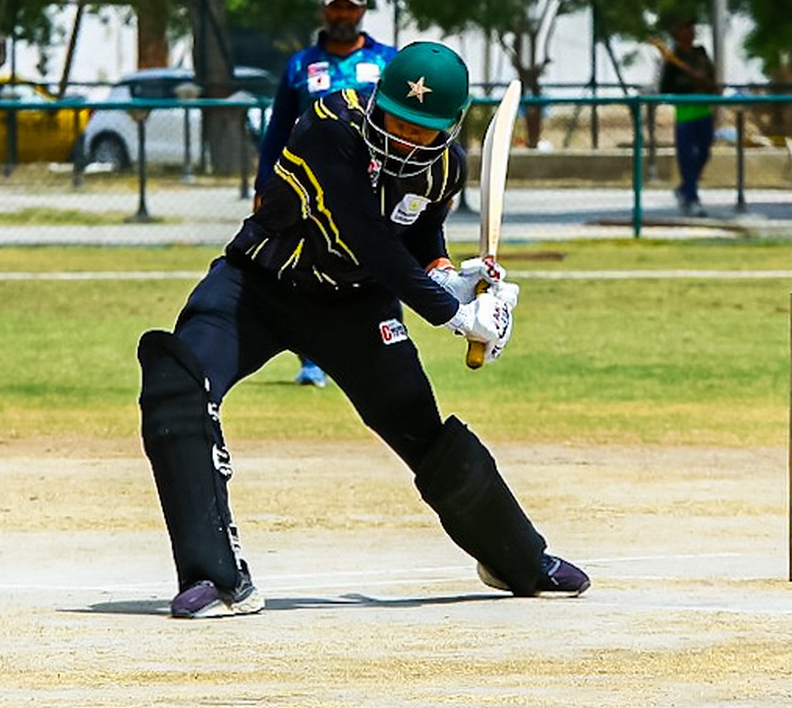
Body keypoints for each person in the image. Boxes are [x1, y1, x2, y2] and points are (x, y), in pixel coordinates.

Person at [137, 40, 590, 617]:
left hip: (356, 308)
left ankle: (519, 559)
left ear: (449, 128)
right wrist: (453, 314)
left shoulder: (445, 168)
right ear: (378, 102)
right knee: (178, 383)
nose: (404, 140)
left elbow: (417, 232)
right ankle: (216, 578)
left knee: (421, 430)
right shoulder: (330, 126)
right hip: (256, 288)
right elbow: (363, 234)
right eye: (396, 121)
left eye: (421, 131)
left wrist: (450, 276)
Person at [257, 0, 398, 388]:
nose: (342, 15)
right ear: (323, 9)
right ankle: (312, 359)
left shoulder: (387, 62)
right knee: (305, 267)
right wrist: (264, 186)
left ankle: (386, 350)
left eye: (349, 7)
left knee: (383, 264)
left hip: (373, 185)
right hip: (309, 188)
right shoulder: (300, 65)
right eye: (335, 6)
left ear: (362, 10)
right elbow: (277, 130)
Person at [654, 19, 717, 217]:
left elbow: (711, 78)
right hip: (685, 114)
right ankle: (692, 197)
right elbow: (665, 88)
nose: (690, 32)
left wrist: (706, 84)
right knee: (687, 156)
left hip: (704, 111)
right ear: (677, 34)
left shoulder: (700, 54)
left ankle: (685, 188)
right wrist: (689, 85)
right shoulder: (673, 60)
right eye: (685, 29)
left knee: (704, 153)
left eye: (691, 29)